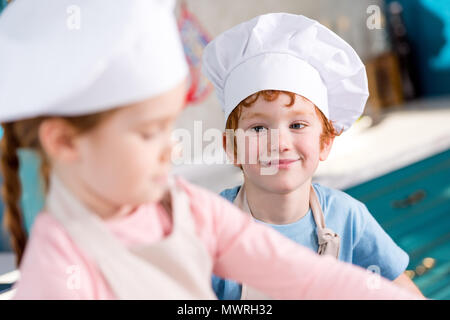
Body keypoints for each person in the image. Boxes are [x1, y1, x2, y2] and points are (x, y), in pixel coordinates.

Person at [0, 0, 422, 299]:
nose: (172, 148)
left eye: (170, 127)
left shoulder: (188, 210)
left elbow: (304, 277)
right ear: (65, 142)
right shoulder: (57, 271)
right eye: (149, 132)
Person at [202, 13, 424, 299]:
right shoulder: (208, 227)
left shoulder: (347, 218)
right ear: (232, 147)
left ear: (325, 142)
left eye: (297, 125)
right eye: (258, 127)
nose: (280, 143)